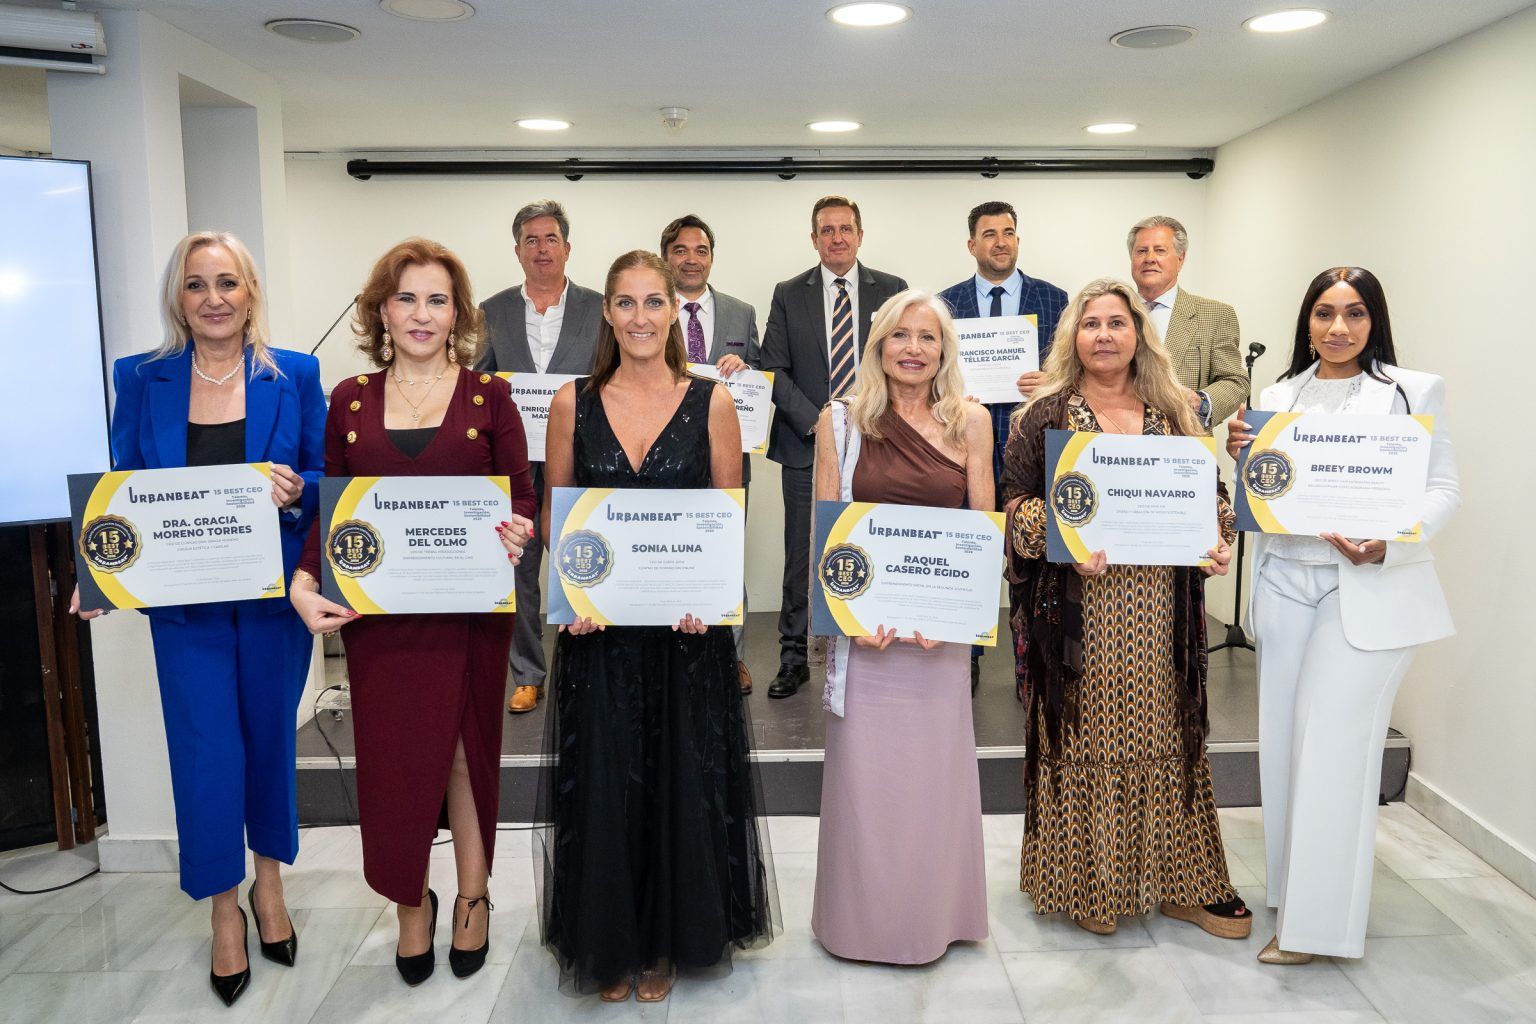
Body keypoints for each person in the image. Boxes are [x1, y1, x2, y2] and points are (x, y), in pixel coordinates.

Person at [71, 231, 325, 1006]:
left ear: (250, 291)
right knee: (205, 753)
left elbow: (326, 474)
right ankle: (223, 909)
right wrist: (98, 574)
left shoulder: (295, 373)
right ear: (177, 299)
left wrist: (298, 489)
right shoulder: (140, 376)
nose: (213, 299)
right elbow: (121, 485)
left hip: (271, 600)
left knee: (269, 742)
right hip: (184, 608)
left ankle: (269, 885)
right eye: (196, 284)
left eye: (227, 282)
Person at [289, 238, 537, 985]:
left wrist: (519, 529)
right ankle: (408, 903)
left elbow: (522, 498)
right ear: (382, 311)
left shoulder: (491, 397)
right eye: (407, 299)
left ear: (458, 313)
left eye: (437, 300)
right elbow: (331, 510)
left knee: (465, 753)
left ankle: (472, 897)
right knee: (395, 763)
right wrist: (304, 581)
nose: (422, 314)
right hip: (380, 624)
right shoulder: (349, 400)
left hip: (469, 616)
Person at [536, 250, 776, 1002]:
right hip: (599, 636)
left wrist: (712, 594)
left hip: (686, 635)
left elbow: (727, 519)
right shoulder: (572, 402)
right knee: (605, 784)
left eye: (653, 302)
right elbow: (557, 516)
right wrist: (570, 598)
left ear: (675, 312)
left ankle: (669, 939)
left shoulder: (713, 403)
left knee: (680, 779)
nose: (640, 317)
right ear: (606, 313)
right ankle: (610, 940)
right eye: (625, 303)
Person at [1002, 278, 1251, 937]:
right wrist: (1062, 543)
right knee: (1086, 737)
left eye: (1117, 322)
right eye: (1091, 324)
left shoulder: (1175, 413)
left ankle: (1183, 884)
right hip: (1079, 616)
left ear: (1139, 334)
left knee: (1169, 737)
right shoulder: (1043, 417)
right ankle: (1091, 884)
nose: (1104, 335)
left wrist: (1217, 541)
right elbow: (1012, 506)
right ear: (1073, 337)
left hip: (1161, 615)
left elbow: (1212, 499)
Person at [1226, 267, 1460, 965]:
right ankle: (1292, 893)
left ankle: (1314, 931)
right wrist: (1243, 459)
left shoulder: (1412, 391)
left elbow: (1443, 487)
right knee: (1284, 748)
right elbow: (1268, 495)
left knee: (1333, 751)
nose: (1338, 327)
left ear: (1374, 321)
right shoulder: (1278, 397)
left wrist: (1392, 540)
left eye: (1355, 313)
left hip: (1364, 588)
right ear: (1307, 322)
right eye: (1324, 313)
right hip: (1284, 584)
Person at [809, 290, 994, 964]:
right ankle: (858, 924)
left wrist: (955, 616)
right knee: (867, 785)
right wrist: (847, 620)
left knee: (932, 782)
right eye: (900, 336)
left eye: (927, 337)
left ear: (944, 351)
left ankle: (934, 919)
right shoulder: (840, 421)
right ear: (879, 346)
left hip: (938, 642)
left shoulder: (972, 421)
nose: (913, 349)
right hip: (869, 641)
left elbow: (983, 529)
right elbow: (826, 531)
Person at [760, 195, 907, 699]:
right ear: (814, 238)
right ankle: (794, 657)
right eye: (827, 230)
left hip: (877, 443)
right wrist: (820, 423)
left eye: (846, 229)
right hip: (806, 446)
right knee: (803, 553)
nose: (837, 238)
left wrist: (863, 424)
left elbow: (904, 364)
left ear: (860, 235)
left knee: (876, 543)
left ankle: (880, 640)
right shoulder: (788, 293)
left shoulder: (892, 290)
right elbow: (773, 368)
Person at [476, 200, 603, 714]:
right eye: (531, 240)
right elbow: (478, 383)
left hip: (585, 457)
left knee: (586, 560)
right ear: (517, 251)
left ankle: (585, 668)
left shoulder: (601, 307)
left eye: (551, 239)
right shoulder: (491, 312)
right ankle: (528, 675)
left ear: (567, 248)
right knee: (519, 568)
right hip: (514, 464)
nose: (542, 248)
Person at [937, 200, 1068, 693]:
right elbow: (932, 371)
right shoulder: (946, 304)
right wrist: (952, 392)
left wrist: (1050, 381)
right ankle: (965, 656)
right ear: (972, 244)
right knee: (966, 551)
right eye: (989, 234)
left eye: (1008, 232)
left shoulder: (1055, 299)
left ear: (1018, 239)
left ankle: (1027, 661)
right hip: (962, 445)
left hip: (1031, 449)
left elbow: (1073, 372)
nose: (1000, 242)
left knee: (1029, 557)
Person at [662, 213, 760, 693]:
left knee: (727, 557)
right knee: (667, 556)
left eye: (701, 250)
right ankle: (671, 655)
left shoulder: (742, 312)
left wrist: (747, 368)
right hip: (664, 461)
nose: (691, 259)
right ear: (666, 257)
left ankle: (732, 658)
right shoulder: (652, 311)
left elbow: (761, 381)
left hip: (728, 459)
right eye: (680, 250)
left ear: (712, 257)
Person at [1126, 215, 1247, 429]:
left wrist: (1200, 402)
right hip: (1116, 437)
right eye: (1141, 251)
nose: (1149, 258)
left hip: (1184, 439)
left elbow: (1235, 381)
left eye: (1160, 250)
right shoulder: (1112, 315)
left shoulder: (1215, 315)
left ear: (1180, 259)